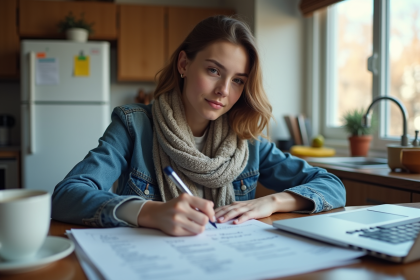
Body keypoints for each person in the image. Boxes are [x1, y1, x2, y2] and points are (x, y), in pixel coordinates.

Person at [52, 15, 345, 236]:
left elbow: (332, 186)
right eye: (214, 70)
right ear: (184, 64)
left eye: (238, 80)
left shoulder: (248, 143)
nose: (224, 91)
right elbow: (66, 196)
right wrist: (147, 212)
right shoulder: (134, 125)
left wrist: (271, 203)